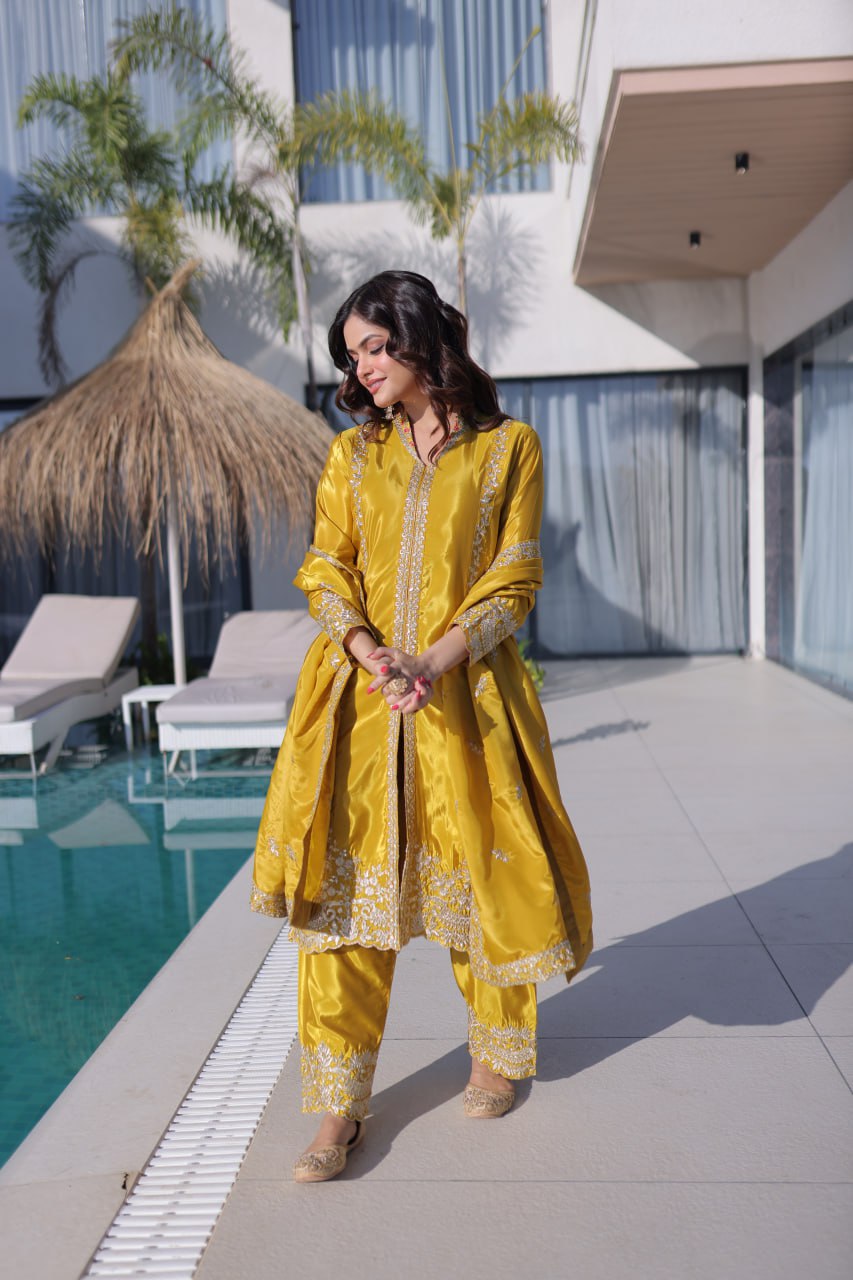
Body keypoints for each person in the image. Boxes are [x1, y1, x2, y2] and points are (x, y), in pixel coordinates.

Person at [251, 270, 593, 1183]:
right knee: (342, 907)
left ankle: (495, 1055)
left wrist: (432, 662)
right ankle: (337, 1109)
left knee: (484, 873)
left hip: (467, 698)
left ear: (420, 338)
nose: (362, 367)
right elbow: (325, 569)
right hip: (358, 707)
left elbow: (514, 578)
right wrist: (371, 654)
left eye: (374, 345)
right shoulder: (351, 455)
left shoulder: (507, 449)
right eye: (351, 353)